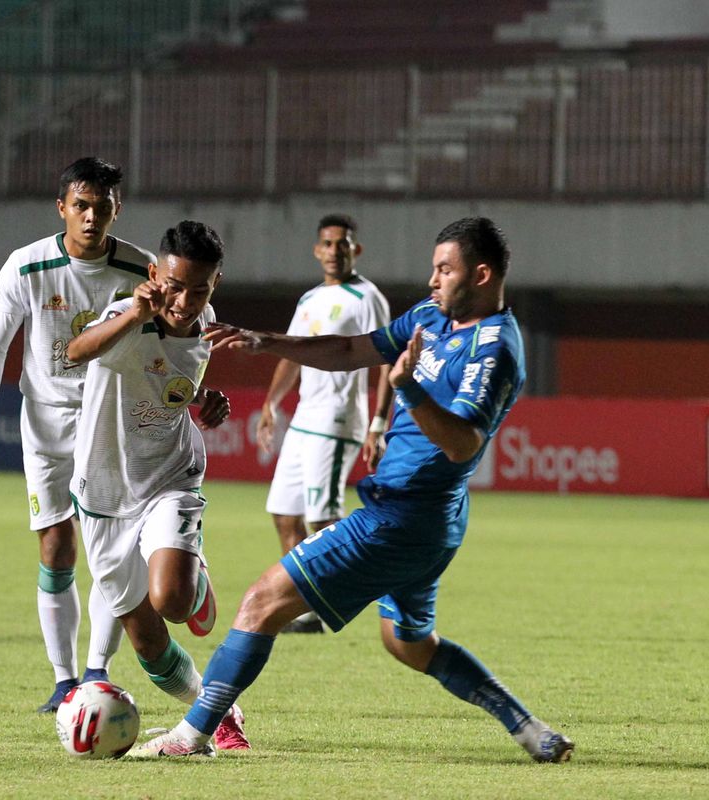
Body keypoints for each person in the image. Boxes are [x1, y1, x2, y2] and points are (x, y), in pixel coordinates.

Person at [129, 217, 574, 763]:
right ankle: (528, 728)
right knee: (409, 644)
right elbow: (349, 350)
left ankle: (190, 736)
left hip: (403, 517)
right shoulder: (431, 318)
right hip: (431, 521)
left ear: (481, 275)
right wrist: (268, 342)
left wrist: (406, 389)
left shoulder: (494, 348)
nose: (432, 280)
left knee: (261, 601)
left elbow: (462, 443)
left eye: (444, 269)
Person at [0, 157, 151, 713]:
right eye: (81, 206)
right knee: (57, 545)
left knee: (110, 552)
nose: (91, 217)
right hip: (44, 422)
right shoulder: (26, 266)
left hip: (110, 424)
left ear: (119, 209)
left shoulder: (141, 271)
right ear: (62, 207)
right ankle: (65, 679)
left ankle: (98, 672)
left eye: (102, 207)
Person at [65, 220, 248, 754]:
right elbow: (75, 351)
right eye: (174, 286)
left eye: (200, 289)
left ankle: (192, 577)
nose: (185, 301)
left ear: (214, 286)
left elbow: (168, 384)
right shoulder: (127, 317)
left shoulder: (204, 322)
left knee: (171, 599)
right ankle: (218, 709)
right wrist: (134, 314)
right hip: (102, 497)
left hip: (170, 476)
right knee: (149, 646)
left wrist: (202, 403)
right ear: (152, 274)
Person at [256, 214, 392, 633]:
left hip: (337, 420)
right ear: (317, 250)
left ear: (356, 250)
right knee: (284, 514)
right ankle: (307, 607)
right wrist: (271, 403)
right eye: (328, 244)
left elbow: (388, 358)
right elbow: (292, 352)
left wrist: (378, 424)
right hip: (303, 419)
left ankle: (354, 588)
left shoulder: (367, 297)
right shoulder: (310, 300)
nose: (335, 250)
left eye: (343, 243)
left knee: (322, 519)